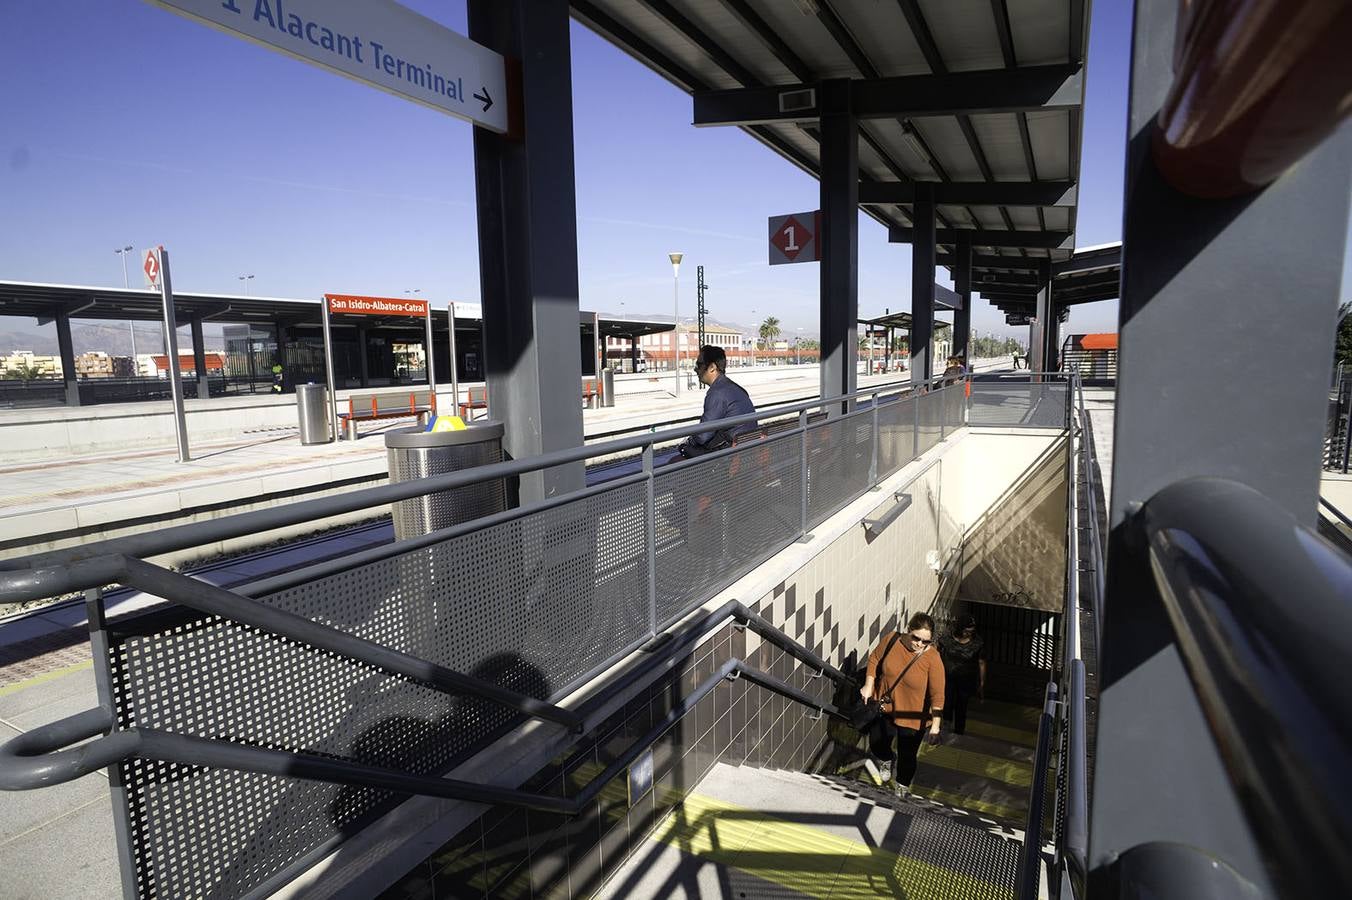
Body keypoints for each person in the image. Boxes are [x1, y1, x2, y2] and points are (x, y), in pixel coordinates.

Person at [859, 612, 945, 793]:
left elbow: (938, 694)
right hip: (886, 706)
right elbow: (875, 659)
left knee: (908, 756)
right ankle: (887, 758)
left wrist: (936, 726)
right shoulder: (892, 640)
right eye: (916, 638)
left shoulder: (933, 659)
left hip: (914, 717)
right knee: (876, 743)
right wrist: (869, 684)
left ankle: (902, 785)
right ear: (908, 630)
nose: (920, 644)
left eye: (925, 642)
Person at [677, 345, 758, 458]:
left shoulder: (717, 393)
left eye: (699, 364)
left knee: (677, 457)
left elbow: (703, 436)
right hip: (748, 452)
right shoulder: (737, 389)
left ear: (712, 367)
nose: (695, 369)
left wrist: (688, 441)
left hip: (730, 459)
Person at [938, 614, 986, 736]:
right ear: (960, 628)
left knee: (962, 704)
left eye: (971, 631)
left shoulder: (978, 643)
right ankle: (946, 724)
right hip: (948, 677)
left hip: (966, 679)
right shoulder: (947, 639)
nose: (969, 634)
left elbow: (981, 663)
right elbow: (938, 654)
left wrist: (981, 683)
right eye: (966, 631)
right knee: (947, 701)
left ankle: (959, 730)